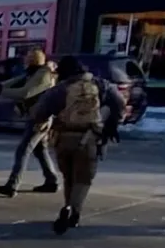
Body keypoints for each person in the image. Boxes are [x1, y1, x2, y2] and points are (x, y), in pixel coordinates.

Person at [27, 55, 125, 234]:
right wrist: (112, 125)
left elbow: (39, 112)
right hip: (89, 138)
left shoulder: (60, 89)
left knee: (69, 177)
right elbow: (119, 103)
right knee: (83, 179)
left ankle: (68, 206)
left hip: (64, 138)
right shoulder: (101, 85)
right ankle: (73, 211)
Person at [0, 49, 60, 198]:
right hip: (38, 116)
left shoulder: (43, 74)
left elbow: (26, 93)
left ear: (34, 60)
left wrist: (0, 90)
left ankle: (12, 185)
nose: (25, 60)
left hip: (40, 118)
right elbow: (15, 82)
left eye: (28, 58)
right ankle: (51, 180)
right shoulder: (34, 73)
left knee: (23, 150)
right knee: (40, 150)